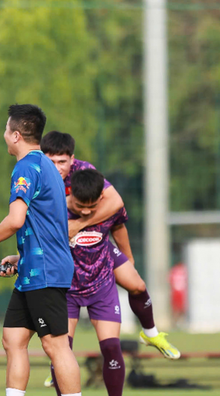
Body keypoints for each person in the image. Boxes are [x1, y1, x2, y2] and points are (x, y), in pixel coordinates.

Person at [0, 104, 92, 396]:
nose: (3, 137)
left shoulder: (26, 167)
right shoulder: (48, 167)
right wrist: (18, 257)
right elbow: (44, 225)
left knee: (56, 345)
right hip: (33, 268)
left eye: (5, 131)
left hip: (46, 271)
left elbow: (15, 219)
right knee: (13, 339)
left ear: (16, 135)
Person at [40, 130, 180, 360]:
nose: (57, 167)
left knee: (136, 284)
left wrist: (78, 224)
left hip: (96, 241)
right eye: (51, 161)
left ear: (72, 159)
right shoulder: (36, 178)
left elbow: (116, 206)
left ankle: (151, 334)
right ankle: (60, 369)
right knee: (62, 327)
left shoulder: (84, 172)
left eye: (62, 161)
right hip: (63, 253)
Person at [61, 169, 131, 396]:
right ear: (71, 195)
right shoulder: (56, 208)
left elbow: (120, 227)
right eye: (81, 206)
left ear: (101, 197)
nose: (88, 212)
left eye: (92, 206)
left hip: (101, 286)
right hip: (66, 289)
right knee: (62, 350)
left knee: (112, 346)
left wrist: (129, 259)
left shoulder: (109, 207)